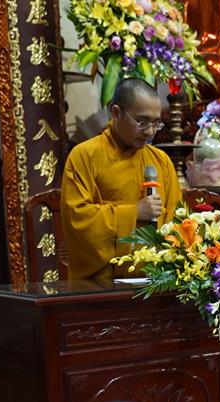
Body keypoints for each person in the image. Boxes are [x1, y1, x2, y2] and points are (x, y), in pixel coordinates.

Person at [62, 78, 182, 280]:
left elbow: (178, 220)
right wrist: (134, 212)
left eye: (156, 123)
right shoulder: (84, 156)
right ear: (116, 113)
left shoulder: (161, 161)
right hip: (101, 283)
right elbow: (78, 220)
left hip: (157, 281)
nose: (150, 132)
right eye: (142, 122)